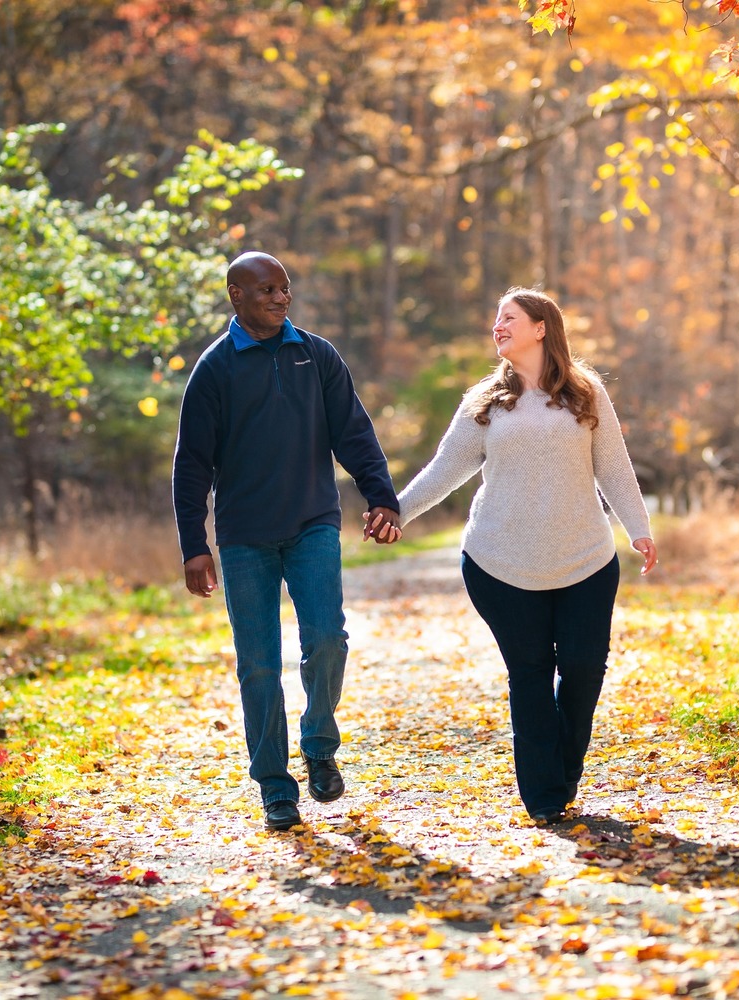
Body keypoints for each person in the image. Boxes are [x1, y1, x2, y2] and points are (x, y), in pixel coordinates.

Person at [366, 287, 657, 824]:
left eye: (510, 318)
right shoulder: (484, 402)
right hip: (498, 562)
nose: (498, 326)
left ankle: (562, 770)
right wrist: (395, 512)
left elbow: (613, 466)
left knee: (583, 669)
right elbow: (444, 470)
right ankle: (544, 797)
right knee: (529, 672)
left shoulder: (585, 392)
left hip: (585, 560)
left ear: (541, 328)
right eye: (496, 319)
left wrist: (638, 528)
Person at [173, 251, 401, 832]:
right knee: (257, 665)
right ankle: (275, 787)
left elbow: (354, 431)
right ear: (236, 295)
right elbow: (192, 464)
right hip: (244, 537)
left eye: (285, 288)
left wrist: (381, 496)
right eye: (267, 290)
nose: (281, 298)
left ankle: (319, 744)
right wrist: (194, 544)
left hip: (313, 524)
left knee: (326, 638)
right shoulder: (215, 369)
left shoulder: (316, 356)